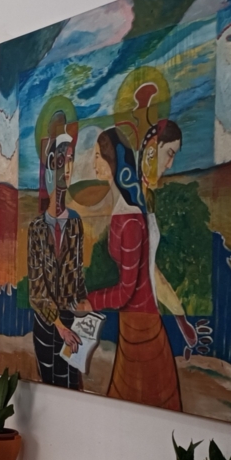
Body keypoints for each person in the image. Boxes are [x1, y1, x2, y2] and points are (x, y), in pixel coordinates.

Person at [82, 128, 181, 410]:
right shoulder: (121, 211)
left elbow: (127, 290)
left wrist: (91, 301)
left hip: (142, 327)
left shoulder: (130, 219)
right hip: (132, 323)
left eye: (99, 156)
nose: (94, 163)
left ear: (113, 161)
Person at [27, 125, 88, 390]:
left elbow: (78, 277)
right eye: (62, 161)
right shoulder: (37, 228)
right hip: (47, 325)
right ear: (52, 165)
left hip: (72, 324)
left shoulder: (75, 223)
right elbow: (37, 290)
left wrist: (86, 309)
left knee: (73, 385)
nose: (68, 168)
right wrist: (59, 326)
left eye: (71, 160)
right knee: (51, 387)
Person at [137, 120, 200, 355]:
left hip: (149, 312)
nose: (170, 164)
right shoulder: (130, 200)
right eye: (170, 154)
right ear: (151, 150)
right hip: (137, 318)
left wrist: (180, 317)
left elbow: (150, 269)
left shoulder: (148, 198)